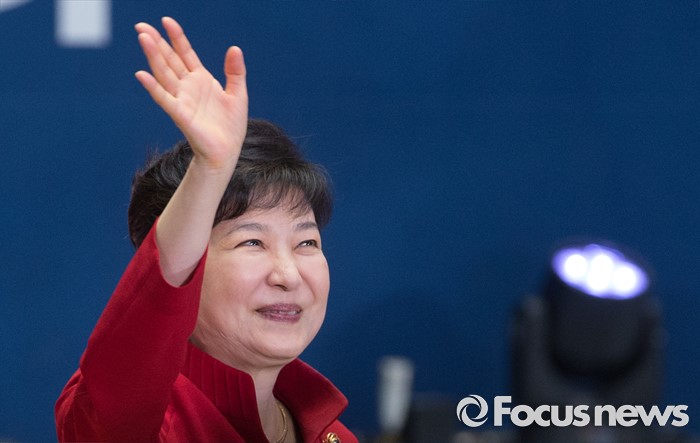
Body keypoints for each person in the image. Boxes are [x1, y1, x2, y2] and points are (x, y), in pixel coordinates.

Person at [55, 17, 356, 443]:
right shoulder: (139, 422)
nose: (288, 275)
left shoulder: (335, 434)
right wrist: (210, 168)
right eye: (252, 241)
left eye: (306, 241)